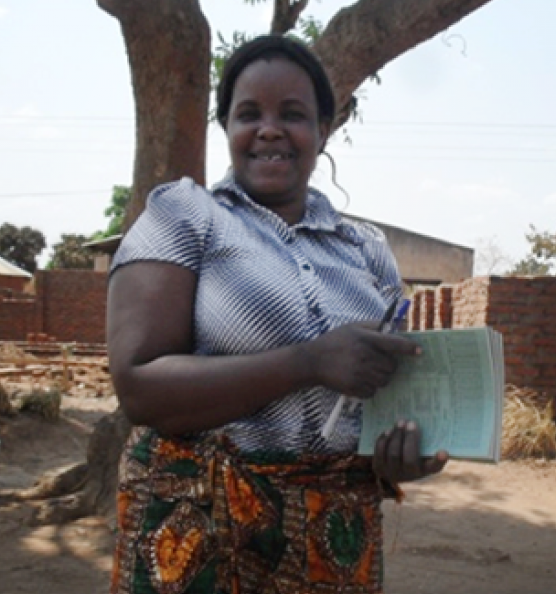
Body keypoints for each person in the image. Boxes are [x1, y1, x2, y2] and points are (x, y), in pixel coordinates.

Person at [107, 35, 448, 594]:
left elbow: (385, 405)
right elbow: (139, 385)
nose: (269, 129)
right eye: (249, 114)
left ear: (322, 131)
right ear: (226, 128)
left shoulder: (366, 249)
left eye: (293, 114)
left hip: (336, 546)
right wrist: (309, 362)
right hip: (201, 538)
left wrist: (397, 457)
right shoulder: (186, 215)